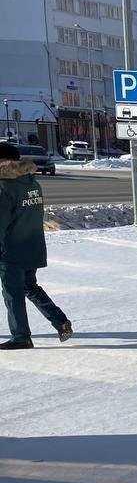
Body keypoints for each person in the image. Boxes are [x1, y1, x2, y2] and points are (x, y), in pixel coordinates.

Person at [0, 141, 72, 350]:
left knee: (12, 292)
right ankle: (61, 322)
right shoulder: (31, 182)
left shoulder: (4, 186)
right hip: (32, 244)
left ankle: (21, 336)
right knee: (29, 286)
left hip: (10, 249)